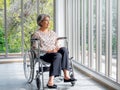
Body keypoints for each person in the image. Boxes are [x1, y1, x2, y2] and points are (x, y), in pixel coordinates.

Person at [32, 14, 76, 89]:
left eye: (49, 21)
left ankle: (66, 75)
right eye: (46, 21)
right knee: (58, 56)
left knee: (64, 49)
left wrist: (57, 47)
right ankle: (50, 81)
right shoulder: (37, 34)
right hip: (45, 54)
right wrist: (48, 50)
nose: (48, 22)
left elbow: (57, 43)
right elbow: (35, 47)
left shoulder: (52, 33)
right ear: (41, 22)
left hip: (54, 52)